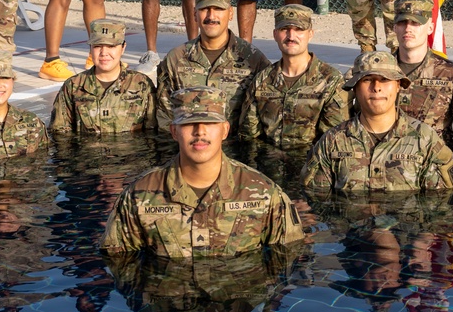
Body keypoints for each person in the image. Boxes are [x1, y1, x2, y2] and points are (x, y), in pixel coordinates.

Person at [100, 86, 305, 258]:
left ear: (225, 130)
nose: (200, 132)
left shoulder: (265, 194)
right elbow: (121, 265)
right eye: (189, 124)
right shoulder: (138, 196)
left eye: (209, 123)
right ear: (174, 131)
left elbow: (287, 258)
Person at [301, 52, 453, 193]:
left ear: (398, 86)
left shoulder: (426, 141)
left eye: (385, 80)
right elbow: (317, 201)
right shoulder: (332, 142)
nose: (376, 87)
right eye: (367, 80)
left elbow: (440, 206)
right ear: (355, 88)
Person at [156, 0, 270, 129]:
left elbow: (262, 116)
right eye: (204, 9)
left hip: (235, 146)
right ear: (194, 14)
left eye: (218, 9)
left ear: (230, 13)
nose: (211, 16)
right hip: (189, 146)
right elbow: (165, 117)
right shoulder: (176, 59)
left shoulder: (253, 60)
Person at [237, 5, 349, 147]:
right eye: (284, 29)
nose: (291, 36)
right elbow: (249, 137)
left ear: (310, 34)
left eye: (299, 29)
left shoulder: (331, 80)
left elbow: (334, 140)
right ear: (275, 34)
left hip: (312, 164)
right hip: (269, 164)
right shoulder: (262, 80)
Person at [49, 19, 157, 134]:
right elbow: (60, 135)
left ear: (123, 47)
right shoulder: (73, 86)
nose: (104, 53)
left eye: (111, 46)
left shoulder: (142, 84)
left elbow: (152, 132)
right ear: (90, 48)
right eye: (97, 46)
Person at [392, 0, 453, 145]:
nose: (408, 28)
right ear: (395, 27)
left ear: (430, 27)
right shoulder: (377, 73)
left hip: (433, 163)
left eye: (416, 22)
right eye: (402, 22)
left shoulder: (452, 76)